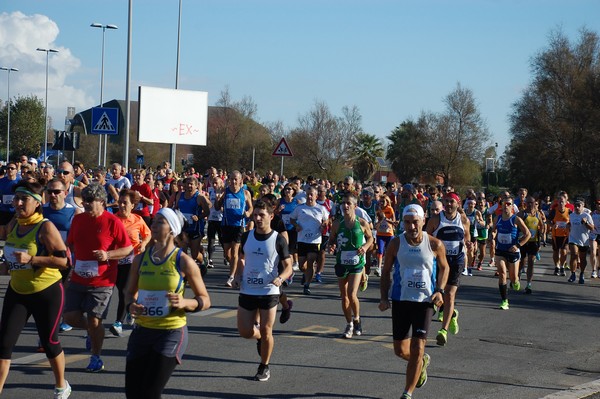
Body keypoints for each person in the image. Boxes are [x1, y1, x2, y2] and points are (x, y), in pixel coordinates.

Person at [125, 208, 210, 398]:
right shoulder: (140, 260)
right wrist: (131, 305)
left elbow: (205, 300)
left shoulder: (184, 261)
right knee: (132, 393)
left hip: (171, 332)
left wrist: (185, 302)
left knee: (150, 392)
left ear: (172, 229)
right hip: (142, 330)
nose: (153, 226)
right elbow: (129, 292)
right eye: (153, 221)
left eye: (160, 222)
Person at [0, 180, 72, 398]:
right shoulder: (14, 224)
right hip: (17, 291)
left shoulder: (45, 227)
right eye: (16, 199)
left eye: (24, 199)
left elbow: (64, 262)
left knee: (49, 344)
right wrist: (5, 265)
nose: (18, 203)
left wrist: (33, 259)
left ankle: (61, 385)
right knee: (3, 345)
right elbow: (10, 260)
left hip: (46, 292)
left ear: (38, 203)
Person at [379, 204, 449, 399]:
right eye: (407, 222)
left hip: (425, 302)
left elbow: (445, 268)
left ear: (423, 220)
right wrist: (384, 297)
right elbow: (385, 272)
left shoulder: (435, 244)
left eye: (415, 222)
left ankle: (407, 393)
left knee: (418, 348)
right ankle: (421, 362)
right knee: (400, 350)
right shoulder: (396, 244)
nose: (411, 227)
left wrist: (440, 291)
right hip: (401, 300)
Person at [63, 182, 133, 372]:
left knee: (95, 320)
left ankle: (96, 357)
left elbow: (128, 249)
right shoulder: (78, 220)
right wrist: (72, 267)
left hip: (103, 281)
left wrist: (108, 255)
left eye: (90, 201)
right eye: (84, 200)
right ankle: (92, 332)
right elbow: (72, 245)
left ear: (102, 201)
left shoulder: (112, 222)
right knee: (69, 317)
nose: (85, 204)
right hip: (78, 277)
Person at [236, 200, 293, 381]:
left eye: (262, 215)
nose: (258, 218)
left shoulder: (278, 239)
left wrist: (281, 278)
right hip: (247, 290)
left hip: (269, 291)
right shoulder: (246, 237)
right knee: (245, 332)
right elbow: (241, 259)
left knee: (267, 330)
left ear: (271, 216)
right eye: (255, 215)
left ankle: (264, 366)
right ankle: (259, 336)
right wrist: (238, 275)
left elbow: (288, 267)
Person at [425, 192, 471, 346]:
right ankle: (451, 314)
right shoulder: (435, 220)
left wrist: (469, 244)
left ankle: (443, 331)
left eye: (452, 201)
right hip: (438, 261)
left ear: (458, 204)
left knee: (450, 295)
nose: (449, 204)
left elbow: (467, 237)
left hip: (456, 260)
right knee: (438, 294)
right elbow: (426, 238)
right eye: (446, 201)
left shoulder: (463, 220)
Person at [327, 194, 373, 338]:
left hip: (357, 263)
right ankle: (349, 324)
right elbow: (331, 239)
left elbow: (371, 238)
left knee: (352, 294)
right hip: (342, 262)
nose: (345, 206)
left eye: (348, 204)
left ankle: (357, 318)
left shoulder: (362, 223)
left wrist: (365, 247)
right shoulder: (337, 224)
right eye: (343, 204)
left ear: (355, 206)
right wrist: (331, 246)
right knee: (344, 296)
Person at [43, 178, 82, 332]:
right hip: (45, 259)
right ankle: (47, 330)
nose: (53, 195)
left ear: (65, 193)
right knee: (46, 296)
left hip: (66, 260)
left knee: (62, 295)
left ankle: (65, 320)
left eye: (57, 191)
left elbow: (79, 239)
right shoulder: (41, 210)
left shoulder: (74, 212)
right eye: (50, 191)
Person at [111, 189, 151, 336]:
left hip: (133, 260)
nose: (121, 205)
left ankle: (118, 323)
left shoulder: (137, 220)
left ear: (132, 205)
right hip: (116, 261)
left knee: (124, 291)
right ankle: (131, 309)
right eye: (120, 202)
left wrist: (144, 243)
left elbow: (147, 234)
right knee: (123, 290)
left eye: (125, 203)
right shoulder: (113, 219)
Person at [491, 196, 531, 310]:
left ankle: (515, 281)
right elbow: (494, 230)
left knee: (513, 278)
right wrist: (492, 235)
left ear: (513, 206)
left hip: (513, 251)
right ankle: (504, 301)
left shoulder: (516, 219)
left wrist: (518, 245)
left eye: (508, 204)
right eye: (504, 203)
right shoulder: (497, 218)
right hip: (500, 251)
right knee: (502, 273)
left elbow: (528, 234)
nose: (506, 206)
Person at [216, 171, 253, 287]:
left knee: (235, 250)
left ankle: (231, 276)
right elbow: (217, 208)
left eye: (235, 179)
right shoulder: (225, 192)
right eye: (231, 179)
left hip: (239, 225)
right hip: (226, 225)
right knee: (227, 254)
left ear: (240, 180)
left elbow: (251, 207)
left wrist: (248, 212)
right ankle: (235, 268)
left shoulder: (245, 193)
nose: (233, 181)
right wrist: (217, 199)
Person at [290, 186, 329, 295]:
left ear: (316, 196)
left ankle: (307, 285)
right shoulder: (299, 208)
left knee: (311, 260)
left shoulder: (321, 209)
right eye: (308, 194)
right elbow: (292, 219)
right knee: (302, 265)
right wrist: (296, 225)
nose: (309, 196)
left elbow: (326, 220)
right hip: (302, 239)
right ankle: (306, 274)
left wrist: (323, 226)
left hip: (315, 240)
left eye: (312, 194)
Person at [517, 196, 546, 293]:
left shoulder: (537, 214)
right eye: (528, 202)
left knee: (531, 261)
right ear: (525, 203)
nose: (529, 204)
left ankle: (529, 284)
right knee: (522, 262)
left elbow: (542, 225)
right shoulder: (521, 214)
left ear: (534, 203)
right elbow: (515, 224)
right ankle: (517, 278)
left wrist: (541, 234)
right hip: (523, 241)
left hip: (534, 242)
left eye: (531, 203)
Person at [566, 198, 594, 284]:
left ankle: (581, 274)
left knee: (582, 258)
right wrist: (568, 225)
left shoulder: (587, 215)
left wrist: (585, 223)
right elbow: (569, 224)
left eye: (579, 206)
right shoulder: (571, 215)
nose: (577, 207)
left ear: (583, 207)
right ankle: (573, 273)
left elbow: (592, 228)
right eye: (576, 206)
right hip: (573, 238)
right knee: (574, 254)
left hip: (584, 240)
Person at [548, 195, 571, 276]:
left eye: (562, 202)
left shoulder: (569, 211)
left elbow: (572, 222)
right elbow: (548, 221)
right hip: (555, 235)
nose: (561, 203)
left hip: (565, 235)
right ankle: (556, 267)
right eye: (560, 201)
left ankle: (562, 267)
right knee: (556, 251)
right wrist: (552, 226)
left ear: (565, 203)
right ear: (557, 202)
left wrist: (569, 225)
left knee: (564, 251)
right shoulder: (554, 211)